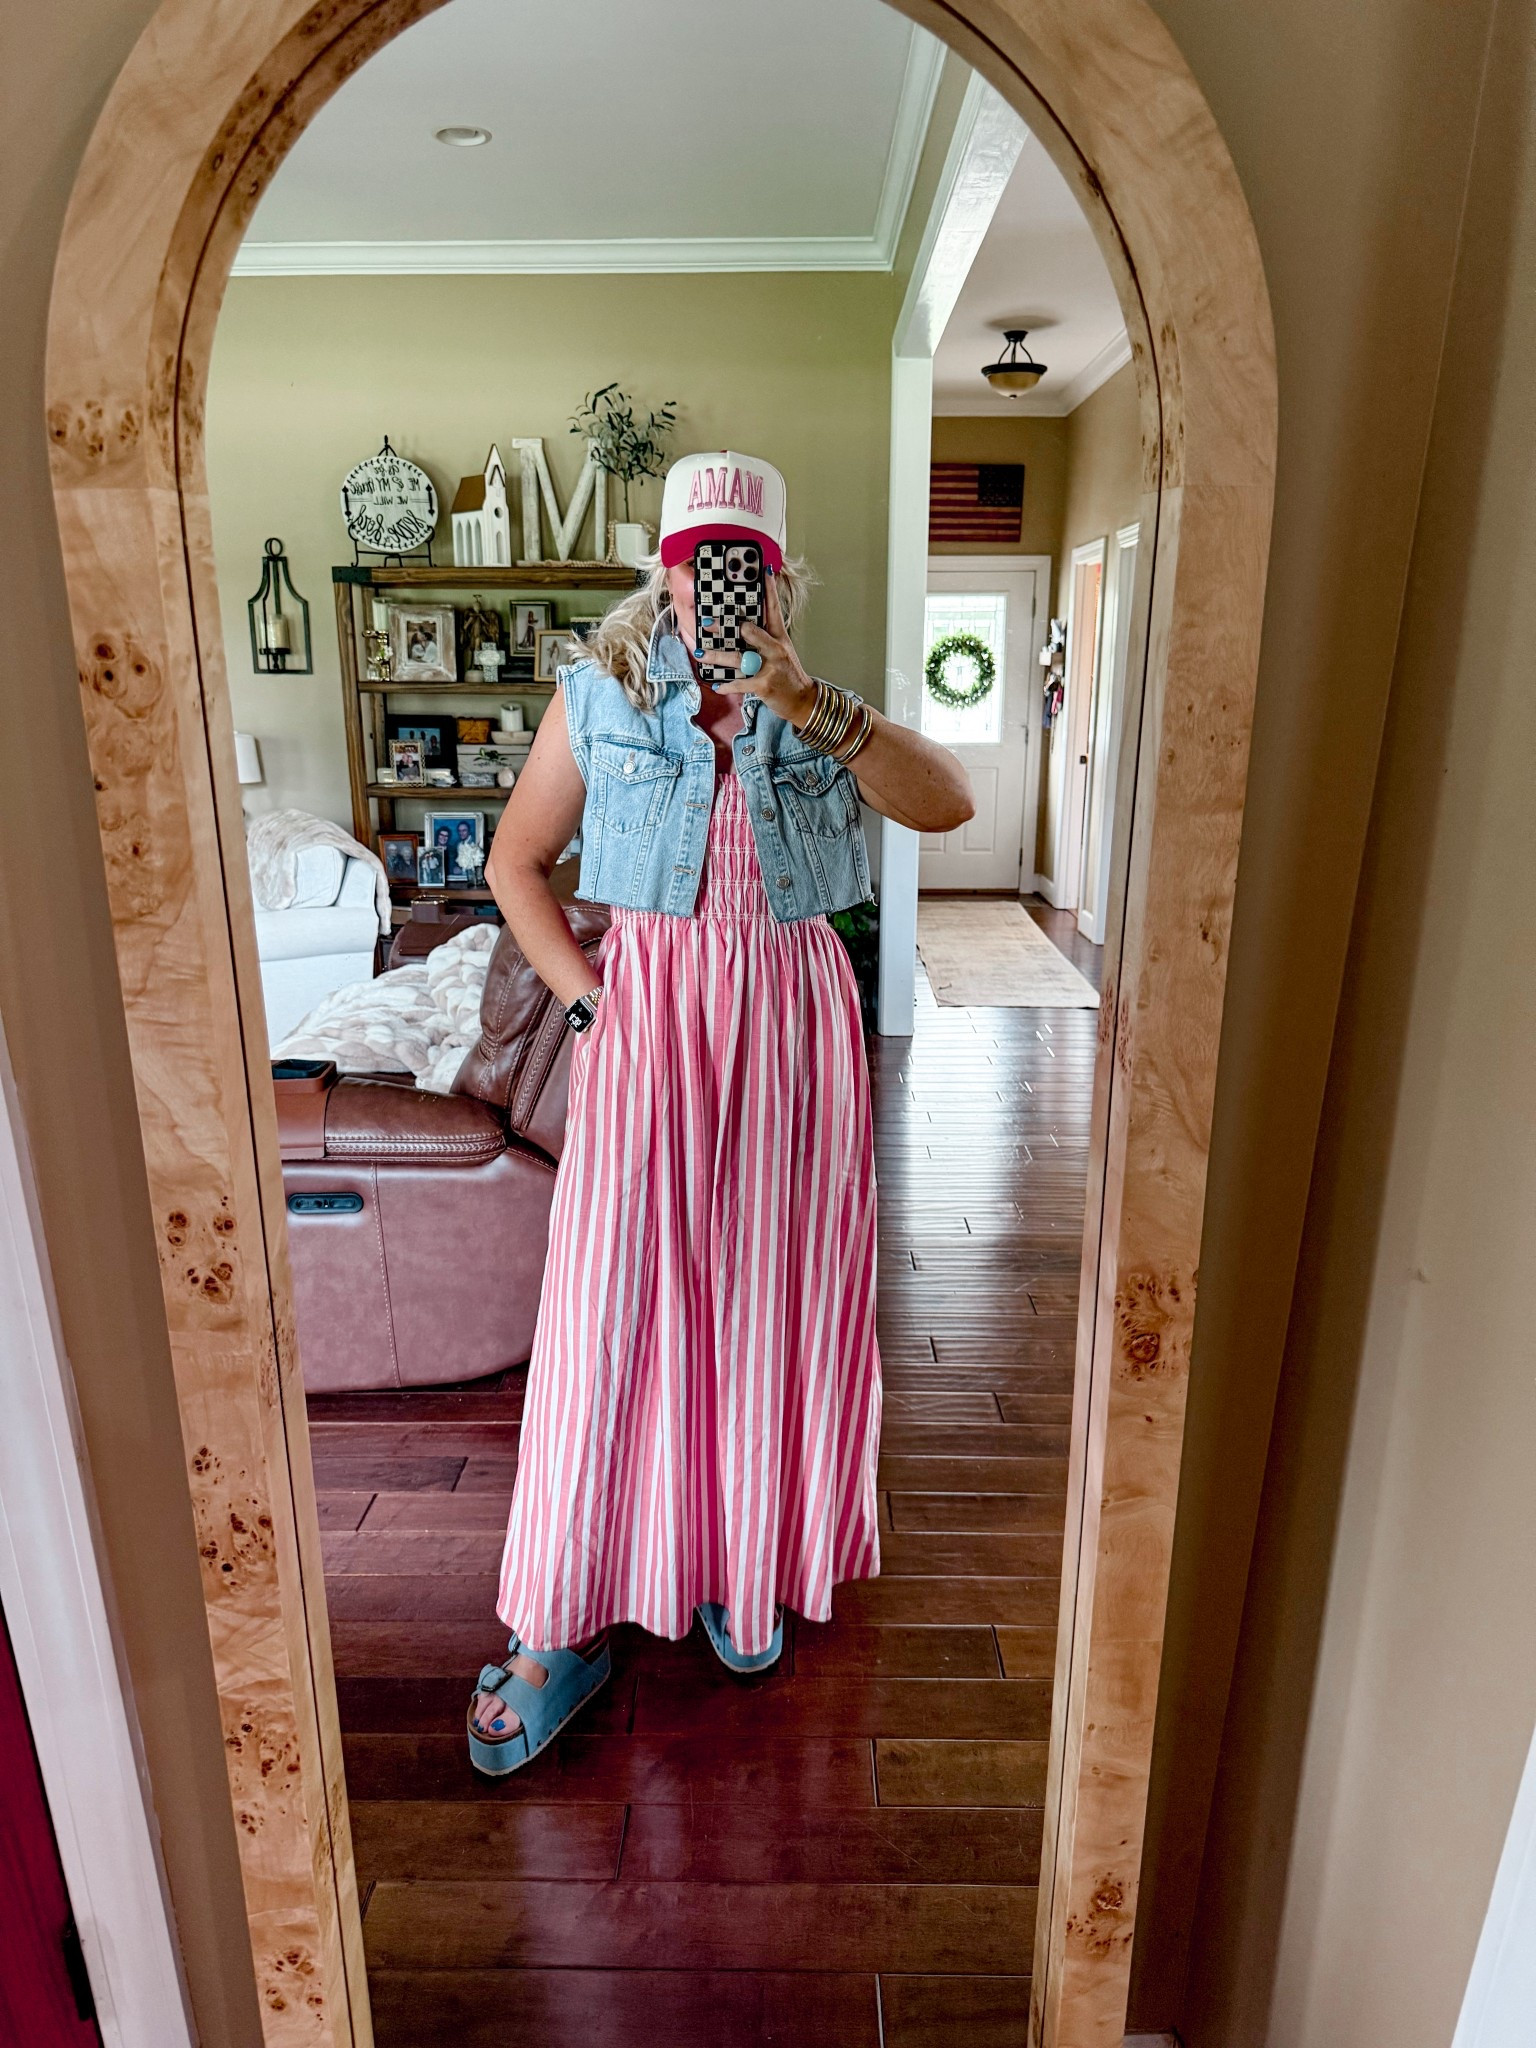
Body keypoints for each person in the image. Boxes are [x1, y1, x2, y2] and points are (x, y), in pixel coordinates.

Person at [469, 451, 973, 1773]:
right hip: (650, 1030)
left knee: (770, 1303)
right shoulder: (598, 694)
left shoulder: (820, 706)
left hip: (795, 1035)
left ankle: (742, 1561)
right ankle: (557, 1617)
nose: (715, 586)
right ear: (668, 570)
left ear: (778, 575)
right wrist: (591, 1003)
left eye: (741, 562)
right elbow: (515, 864)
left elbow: (951, 802)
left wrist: (805, 700)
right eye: (697, 562)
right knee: (609, 1311)